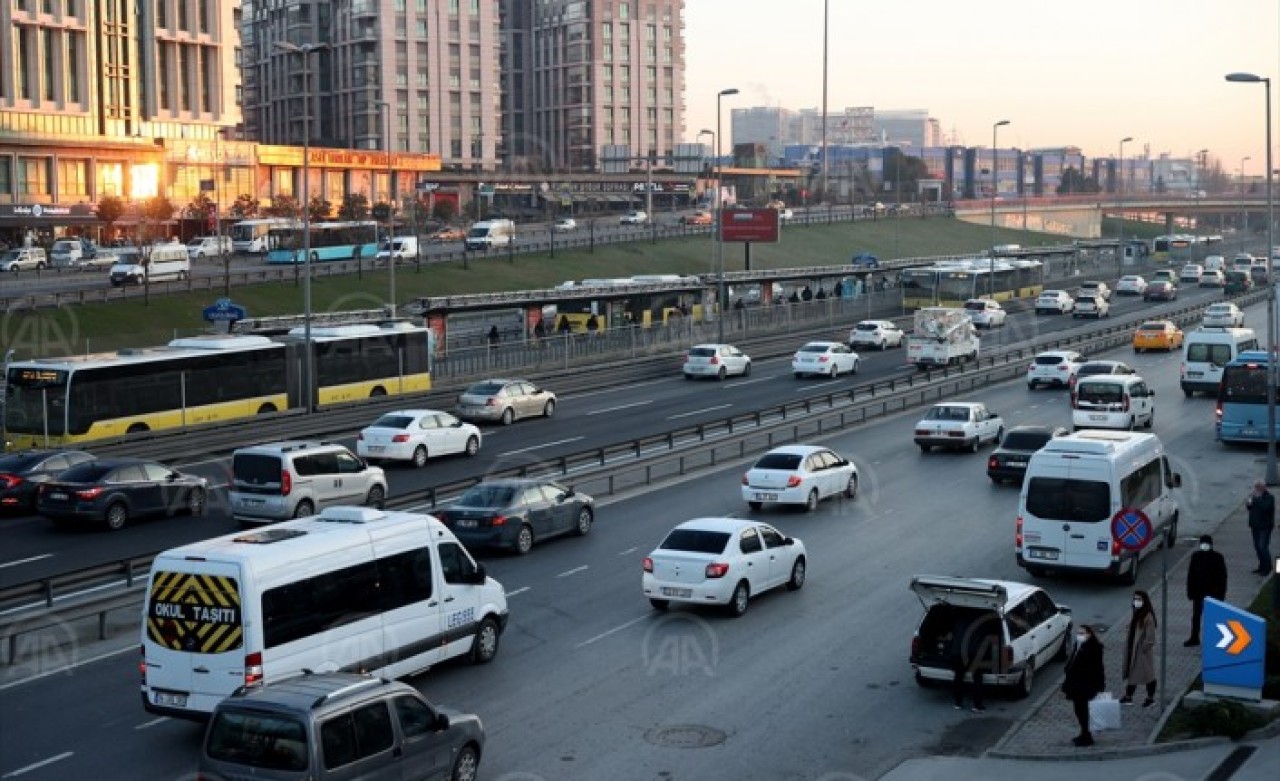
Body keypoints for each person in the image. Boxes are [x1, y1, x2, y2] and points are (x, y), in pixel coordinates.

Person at [1061, 624, 1105, 747]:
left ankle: (1086, 735)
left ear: (1089, 634)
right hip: (1075, 683)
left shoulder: (1094, 648)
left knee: (1082, 709)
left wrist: (1100, 685)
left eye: (1082, 633)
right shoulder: (1078, 645)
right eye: (1078, 633)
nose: (1079, 635)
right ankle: (1083, 733)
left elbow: (1098, 668)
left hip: (1085, 684)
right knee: (1078, 709)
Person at [1184, 535, 1228, 647]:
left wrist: (1221, 594)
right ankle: (1194, 637)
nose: (1204, 545)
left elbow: (1222, 577)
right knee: (1196, 616)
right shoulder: (1196, 556)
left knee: (1213, 617)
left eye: (1206, 543)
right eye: (1202, 543)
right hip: (1198, 592)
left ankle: (1214, 639)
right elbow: (1191, 575)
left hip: (1213, 592)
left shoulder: (1218, 557)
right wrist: (1190, 592)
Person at [1121, 590, 1158, 707]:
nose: (1136, 601)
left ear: (1144, 601)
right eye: (1135, 599)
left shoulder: (1148, 616)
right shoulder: (1137, 612)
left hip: (1141, 652)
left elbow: (1150, 638)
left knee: (1148, 676)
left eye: (1139, 599)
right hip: (1133, 649)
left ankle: (1150, 698)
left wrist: (1143, 649)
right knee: (1134, 674)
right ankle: (1128, 697)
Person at [1246, 480, 1276, 575]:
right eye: (1256, 486)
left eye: (1259, 486)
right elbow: (1250, 508)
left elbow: (1265, 508)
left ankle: (1268, 567)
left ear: (1263, 487)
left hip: (1265, 527)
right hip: (1255, 525)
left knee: (1263, 547)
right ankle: (1261, 566)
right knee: (1257, 547)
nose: (1257, 488)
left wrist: (1257, 499)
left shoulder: (1269, 497)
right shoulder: (1254, 497)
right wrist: (1249, 503)